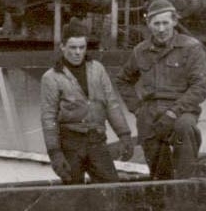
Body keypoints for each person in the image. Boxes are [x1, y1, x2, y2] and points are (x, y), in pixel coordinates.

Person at [116, 0, 206, 180]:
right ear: (148, 24)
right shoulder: (140, 51)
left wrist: (173, 113)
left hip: (181, 111)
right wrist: (137, 109)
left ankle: (186, 188)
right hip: (150, 114)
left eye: (165, 23)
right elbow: (122, 80)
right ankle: (160, 195)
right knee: (159, 174)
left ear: (175, 21)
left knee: (185, 129)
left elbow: (200, 87)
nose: (161, 29)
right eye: (156, 23)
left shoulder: (191, 48)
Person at [40, 19, 135, 184]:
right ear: (62, 47)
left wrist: (124, 135)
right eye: (72, 47)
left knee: (112, 188)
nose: (77, 52)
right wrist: (55, 153)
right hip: (70, 144)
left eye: (81, 47)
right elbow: (48, 118)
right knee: (73, 194)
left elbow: (111, 104)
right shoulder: (51, 78)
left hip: (96, 141)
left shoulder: (97, 69)